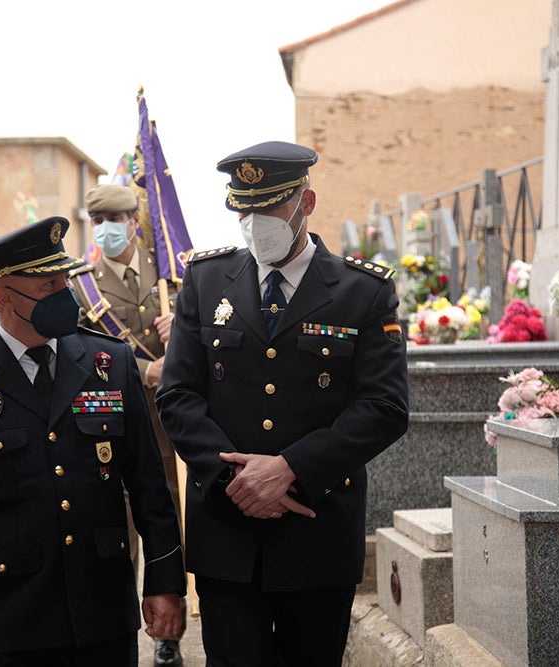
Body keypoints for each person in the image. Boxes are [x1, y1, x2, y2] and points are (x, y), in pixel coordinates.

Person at [156, 141, 410, 666]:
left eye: (269, 206)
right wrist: (238, 483)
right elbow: (178, 396)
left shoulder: (361, 292)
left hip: (317, 533)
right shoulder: (205, 281)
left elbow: (384, 407)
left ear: (306, 202)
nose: (255, 222)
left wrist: (291, 467)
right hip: (228, 536)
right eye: (244, 209)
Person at [0, 216, 186, 667]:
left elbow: (151, 488)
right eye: (47, 286)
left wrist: (164, 581)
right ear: (1, 296)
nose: (64, 296)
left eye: (64, 282)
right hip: (8, 621)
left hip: (103, 619)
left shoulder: (111, 363)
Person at [74, 183, 185, 666]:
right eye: (97, 222)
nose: (105, 230)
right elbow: (78, 352)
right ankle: (117, 632)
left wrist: (179, 335)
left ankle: (168, 637)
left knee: (168, 528)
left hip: (168, 426)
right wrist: (144, 371)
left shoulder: (172, 279)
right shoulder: (81, 283)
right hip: (108, 425)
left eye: (114, 221)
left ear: (133, 224)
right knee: (117, 535)